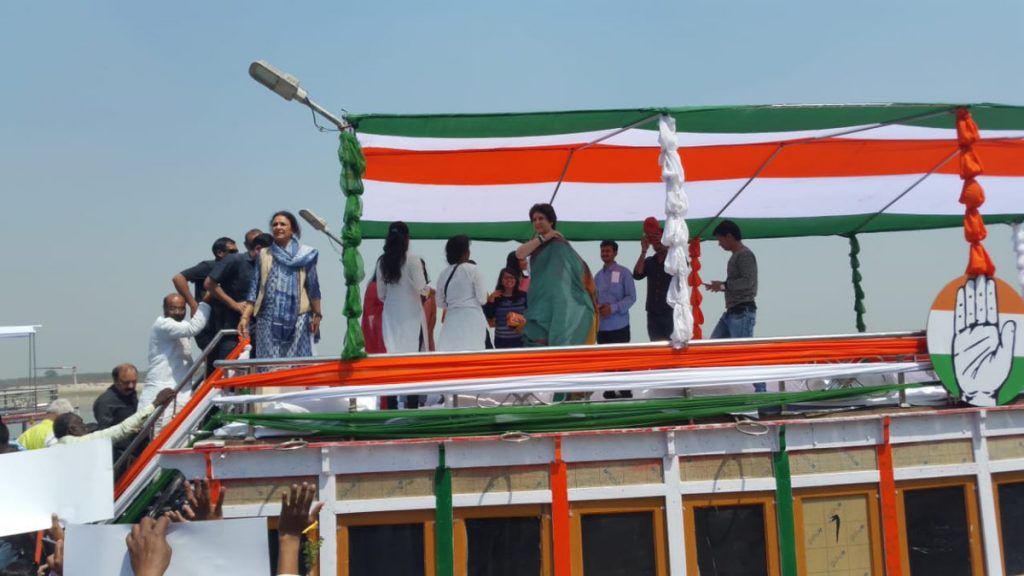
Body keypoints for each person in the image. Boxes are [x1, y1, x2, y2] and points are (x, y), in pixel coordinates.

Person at [238, 211, 323, 360]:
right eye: (275, 224)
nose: (278, 227)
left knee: (296, 365)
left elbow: (313, 287)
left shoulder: (305, 255)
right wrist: (245, 317)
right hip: (267, 319)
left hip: (299, 319)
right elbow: (254, 289)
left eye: (283, 224)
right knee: (268, 365)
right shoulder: (264, 254)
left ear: (293, 229)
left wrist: (317, 314)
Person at [515, 203, 598, 346]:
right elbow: (519, 253)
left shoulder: (559, 244)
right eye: (534, 220)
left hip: (557, 302)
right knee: (537, 338)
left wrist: (550, 237)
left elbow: (576, 269)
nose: (537, 222)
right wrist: (544, 238)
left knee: (557, 339)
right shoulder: (537, 243)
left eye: (541, 218)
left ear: (551, 221)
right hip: (539, 300)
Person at [138, 294, 210, 428]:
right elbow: (193, 329)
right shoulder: (163, 324)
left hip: (182, 388)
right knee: (157, 431)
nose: (178, 313)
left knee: (182, 429)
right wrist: (205, 302)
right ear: (164, 309)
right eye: (173, 309)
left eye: (182, 309)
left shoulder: (182, 325)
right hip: (161, 388)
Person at [705, 220, 761, 391]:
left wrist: (723, 286)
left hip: (742, 311)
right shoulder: (736, 256)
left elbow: (747, 281)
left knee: (745, 354)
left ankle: (761, 391)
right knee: (714, 346)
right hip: (733, 311)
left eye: (720, 240)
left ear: (729, 236)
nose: (719, 244)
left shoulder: (744, 255)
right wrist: (722, 285)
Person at [205, 229, 273, 368]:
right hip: (232, 329)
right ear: (259, 249)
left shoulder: (266, 267)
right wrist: (233, 304)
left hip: (258, 331)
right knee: (228, 374)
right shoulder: (235, 260)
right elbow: (209, 284)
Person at [171, 236, 237, 355]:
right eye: (232, 252)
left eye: (236, 252)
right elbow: (178, 278)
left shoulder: (233, 269)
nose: (236, 255)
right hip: (206, 325)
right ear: (220, 253)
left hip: (223, 323)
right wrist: (193, 304)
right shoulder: (209, 266)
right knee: (213, 360)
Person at [55, 389, 175, 446]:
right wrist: (155, 403)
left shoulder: (54, 448)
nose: (85, 426)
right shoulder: (79, 443)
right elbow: (121, 429)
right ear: (72, 429)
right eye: (80, 423)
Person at [436, 235, 489, 352]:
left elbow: (440, 303)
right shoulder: (474, 270)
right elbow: (482, 299)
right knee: (473, 356)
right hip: (472, 319)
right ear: (465, 252)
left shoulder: (443, 273)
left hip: (451, 320)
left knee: (451, 356)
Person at [633, 217, 674, 341]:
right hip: (653, 313)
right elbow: (637, 275)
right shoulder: (650, 261)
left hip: (670, 312)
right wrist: (644, 251)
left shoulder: (674, 258)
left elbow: (684, 266)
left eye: (659, 239)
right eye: (653, 241)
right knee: (656, 346)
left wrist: (669, 247)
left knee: (673, 347)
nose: (656, 243)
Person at [595, 240, 637, 344]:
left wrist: (613, 308)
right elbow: (593, 298)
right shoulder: (597, 276)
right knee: (604, 360)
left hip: (620, 327)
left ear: (615, 253)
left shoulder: (624, 273)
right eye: (602, 251)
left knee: (620, 359)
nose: (604, 253)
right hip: (601, 329)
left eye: (607, 251)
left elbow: (631, 297)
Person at [484, 268, 528, 348]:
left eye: (511, 277)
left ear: (516, 279)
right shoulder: (496, 297)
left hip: (521, 339)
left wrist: (524, 321)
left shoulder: (523, 296)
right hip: (501, 340)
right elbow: (489, 316)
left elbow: (531, 313)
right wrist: (490, 301)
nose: (509, 280)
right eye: (505, 278)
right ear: (501, 280)